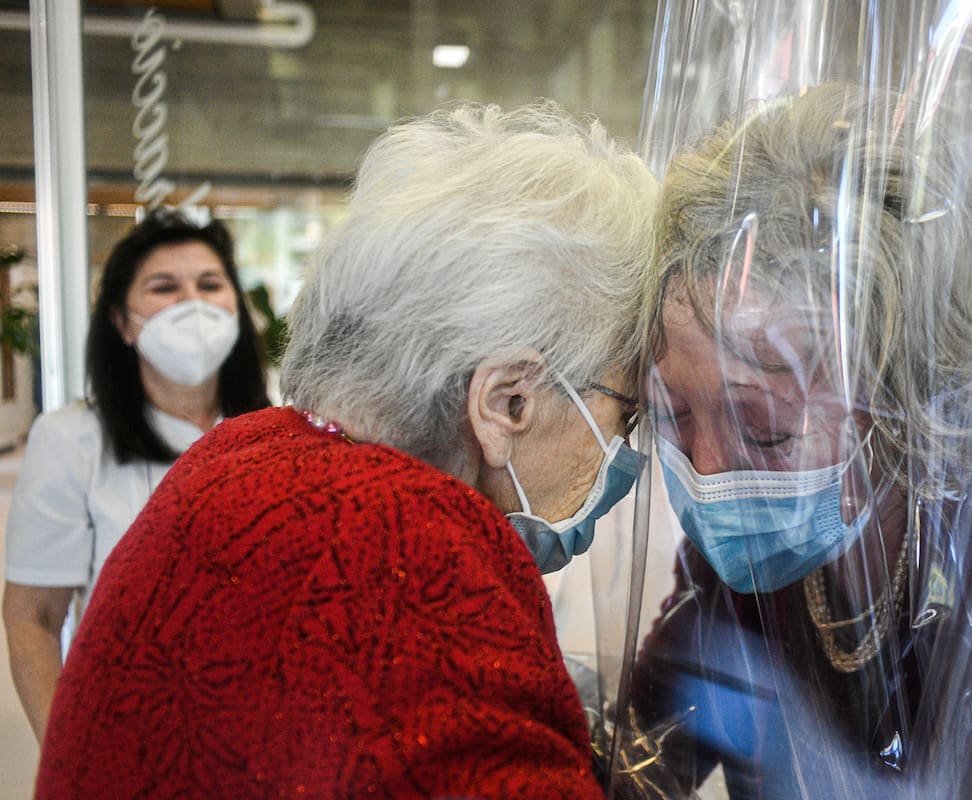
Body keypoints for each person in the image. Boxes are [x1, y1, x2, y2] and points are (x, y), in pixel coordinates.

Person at [35, 101, 656, 799]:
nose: (622, 449)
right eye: (624, 412)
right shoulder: (416, 563)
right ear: (507, 402)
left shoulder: (243, 455)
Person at [623, 83, 972, 798]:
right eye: (673, 415)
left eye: (764, 430)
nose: (708, 470)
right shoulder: (744, 562)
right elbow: (643, 757)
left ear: (902, 403)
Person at [2, 210, 270, 745]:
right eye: (164, 287)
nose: (192, 302)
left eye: (210, 284)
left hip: (271, 731)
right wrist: (70, 755)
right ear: (123, 323)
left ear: (237, 311)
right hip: (130, 732)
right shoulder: (71, 439)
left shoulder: (283, 429)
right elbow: (33, 615)